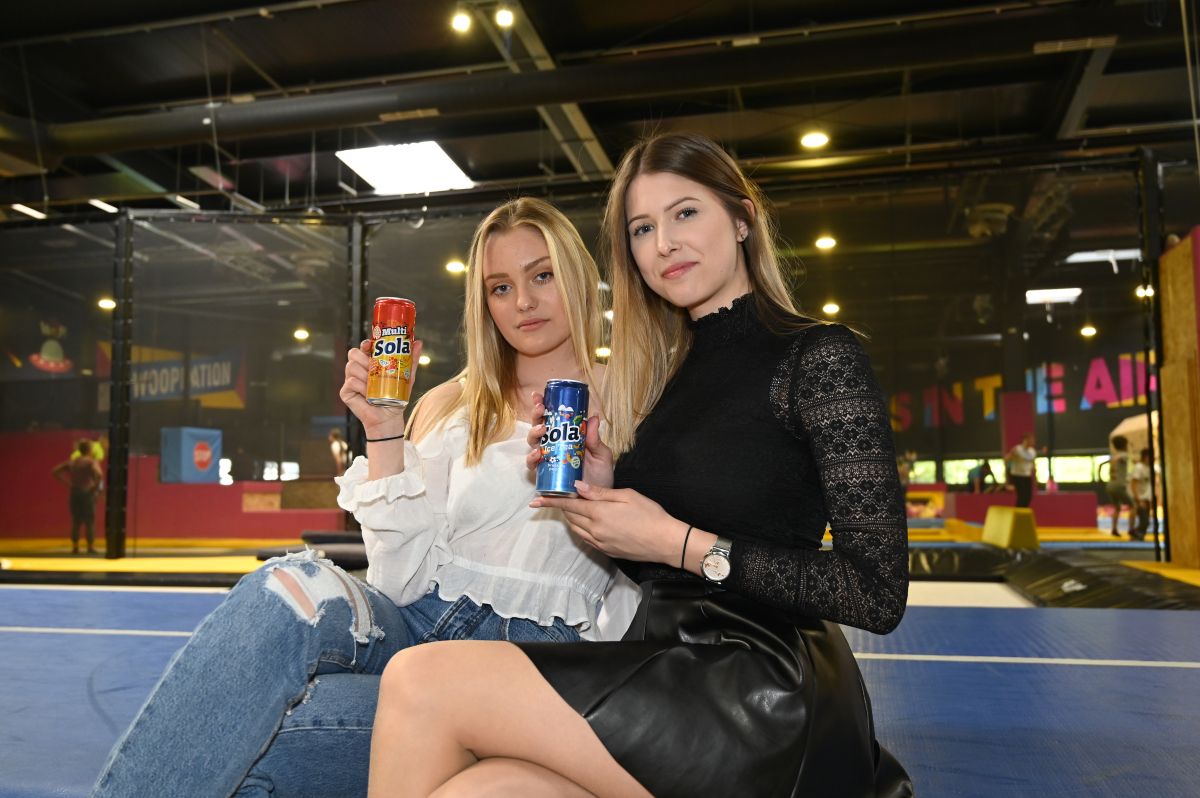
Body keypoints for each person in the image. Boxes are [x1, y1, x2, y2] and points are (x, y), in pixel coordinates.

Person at [367, 132, 911, 797]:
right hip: (667, 661)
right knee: (484, 790)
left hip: (761, 689)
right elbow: (658, 564)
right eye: (643, 228)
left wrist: (679, 542)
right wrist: (602, 498)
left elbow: (875, 592)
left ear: (742, 219)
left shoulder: (819, 356)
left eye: (686, 213)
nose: (665, 243)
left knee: (421, 679)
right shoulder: (670, 375)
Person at [90, 197, 638, 798]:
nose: (523, 302)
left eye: (542, 275)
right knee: (284, 586)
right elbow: (399, 583)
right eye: (500, 288)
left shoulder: (634, 401)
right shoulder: (452, 404)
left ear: (578, 276)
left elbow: (640, 581)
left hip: (526, 663)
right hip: (417, 623)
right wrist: (383, 430)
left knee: (257, 742)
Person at [52, 439, 103, 554]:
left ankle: (75, 547)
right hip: (87, 493)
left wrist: (68, 483)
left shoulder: (73, 462)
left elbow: (55, 471)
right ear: (89, 449)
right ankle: (90, 547)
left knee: (76, 521)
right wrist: (94, 486)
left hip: (75, 492)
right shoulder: (91, 462)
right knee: (89, 521)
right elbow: (99, 474)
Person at [1105, 435, 1134, 538]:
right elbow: (1123, 458)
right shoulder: (1123, 455)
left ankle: (1114, 529)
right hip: (1118, 485)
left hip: (1110, 485)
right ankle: (1131, 529)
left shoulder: (1114, 456)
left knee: (1117, 508)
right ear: (1125, 445)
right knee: (1133, 506)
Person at [1005, 432, 1039, 508]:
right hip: (1017, 475)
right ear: (1025, 440)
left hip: (1027, 476)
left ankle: (1023, 512)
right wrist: (1012, 455)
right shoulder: (1017, 449)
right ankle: (1017, 512)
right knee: (1022, 496)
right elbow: (1006, 459)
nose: (1033, 442)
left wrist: (1035, 478)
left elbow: (1033, 465)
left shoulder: (1032, 452)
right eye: (1031, 440)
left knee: (1028, 497)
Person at [1129, 447, 1154, 541]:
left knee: (1146, 520)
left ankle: (1139, 535)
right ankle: (1135, 533)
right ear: (1145, 457)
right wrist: (1138, 499)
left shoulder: (1150, 468)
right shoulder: (1139, 467)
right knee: (1145, 520)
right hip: (1140, 498)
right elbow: (1133, 484)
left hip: (1147, 498)